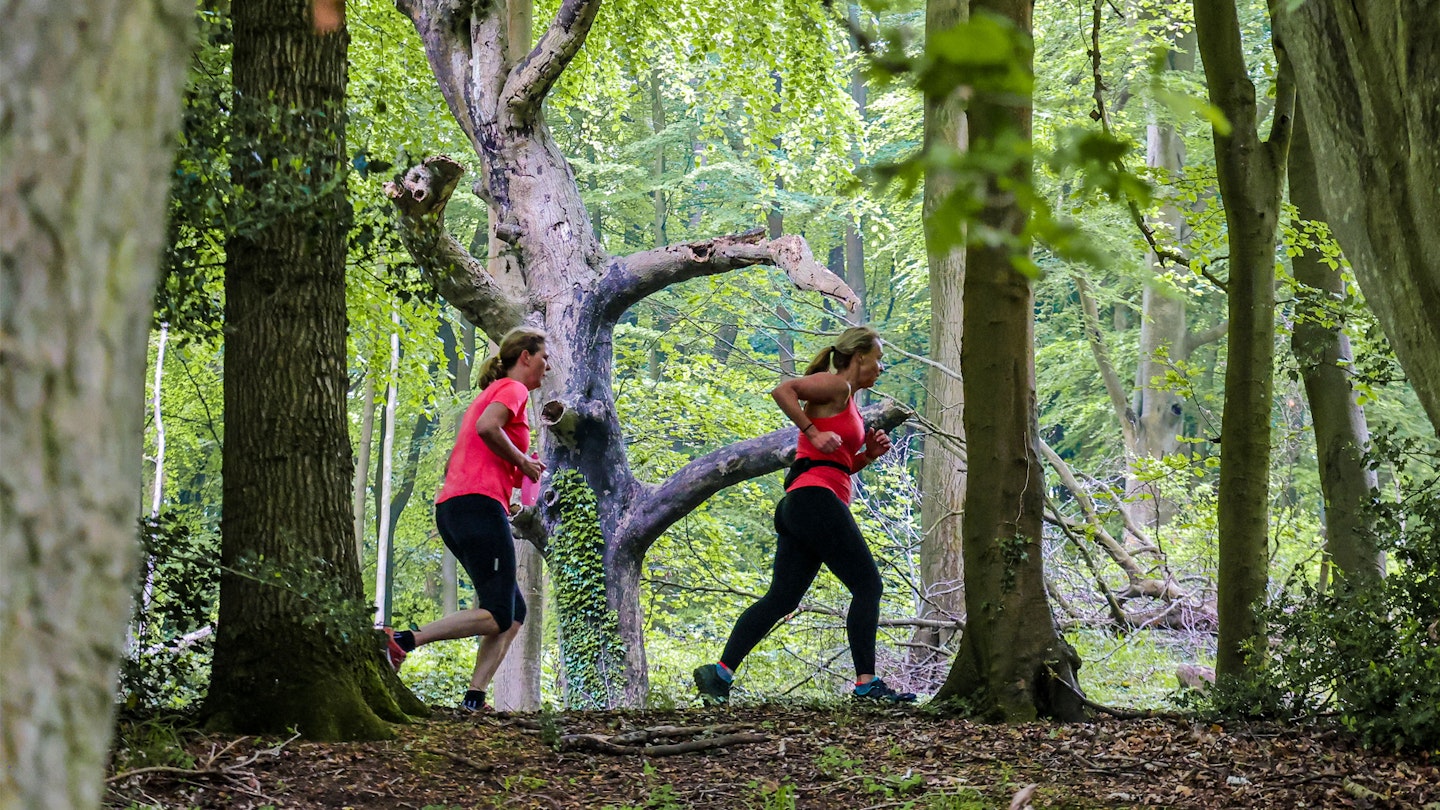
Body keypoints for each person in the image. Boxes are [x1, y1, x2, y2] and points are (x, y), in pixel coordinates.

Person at [693, 326, 915, 704]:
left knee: (782, 599)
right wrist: (811, 432)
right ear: (859, 356)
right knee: (868, 586)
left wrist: (868, 456)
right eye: (878, 358)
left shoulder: (851, 404)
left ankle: (719, 674)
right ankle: (866, 685)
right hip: (814, 499)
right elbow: (784, 391)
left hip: (806, 502)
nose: (881, 366)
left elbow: (839, 465)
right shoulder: (835, 386)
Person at [383, 326, 549, 712]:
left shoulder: (490, 394)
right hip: (474, 507)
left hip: (460, 507)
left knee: (513, 612)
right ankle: (402, 640)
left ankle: (474, 699)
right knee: (497, 614)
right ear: (525, 356)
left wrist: (506, 483)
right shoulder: (513, 389)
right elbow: (487, 429)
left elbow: (465, 454)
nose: (547, 366)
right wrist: (522, 461)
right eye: (544, 357)